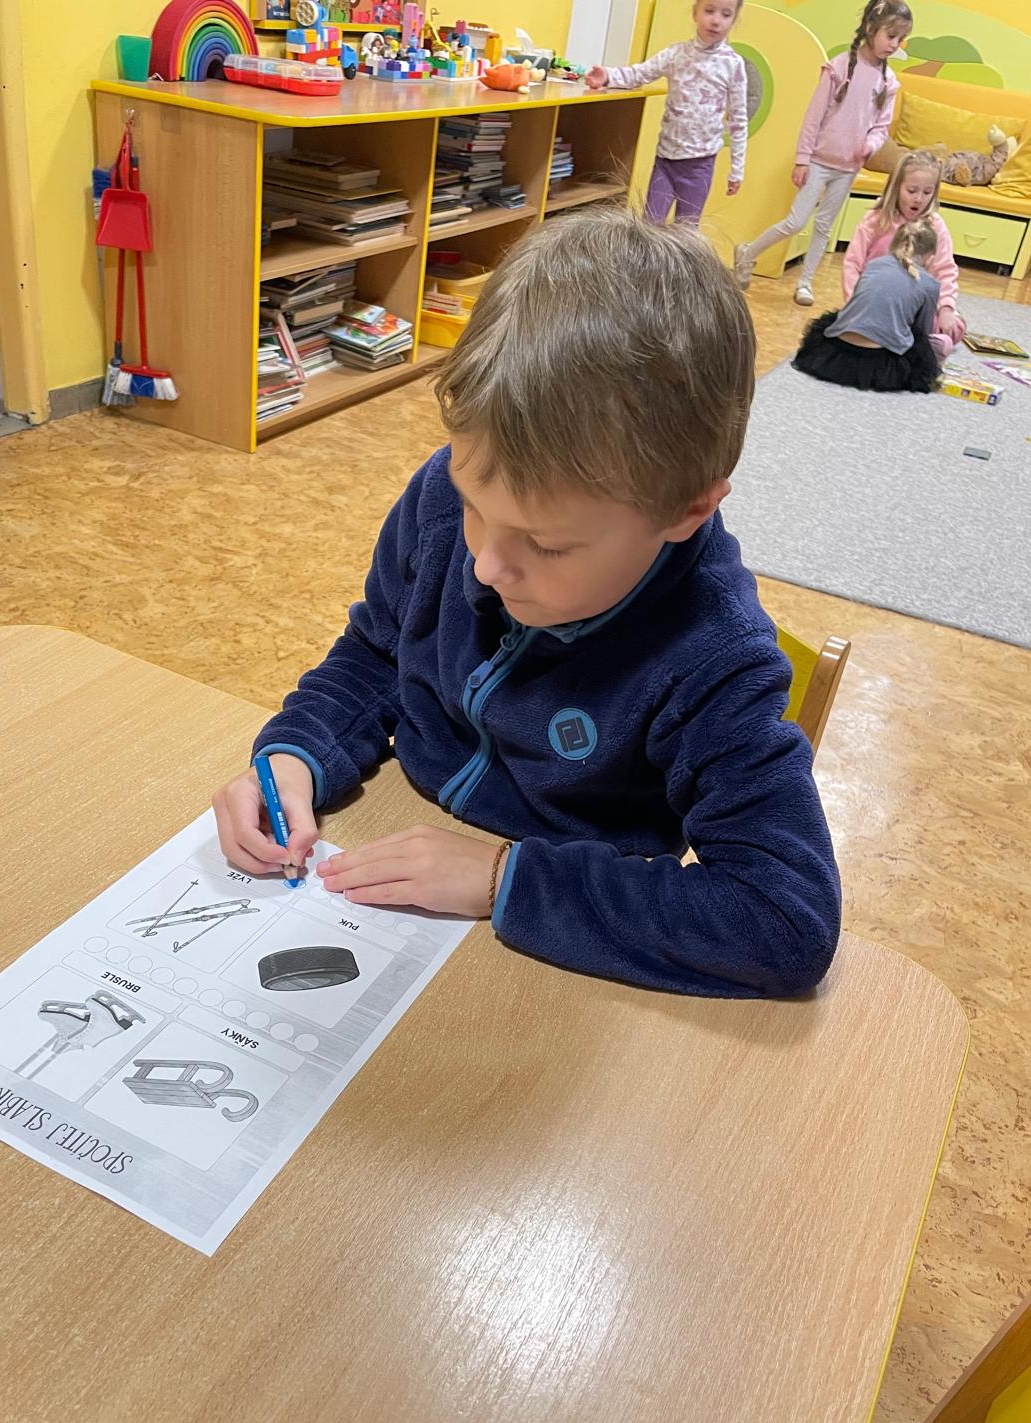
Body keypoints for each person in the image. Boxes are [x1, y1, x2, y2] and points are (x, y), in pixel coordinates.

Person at [212, 210, 841, 1000]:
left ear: (686, 511)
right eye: (476, 508)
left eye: (546, 545)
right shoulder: (446, 495)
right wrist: (296, 754)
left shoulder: (715, 657)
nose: (484, 564)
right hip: (392, 853)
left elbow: (783, 919)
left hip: (561, 955)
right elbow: (378, 654)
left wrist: (503, 878)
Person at [734, 0, 912, 305]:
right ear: (871, 28)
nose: (894, 44)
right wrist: (802, 159)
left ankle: (805, 282)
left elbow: (881, 127)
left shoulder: (889, 82)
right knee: (796, 222)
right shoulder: (839, 67)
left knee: (824, 226)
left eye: (900, 38)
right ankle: (747, 252)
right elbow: (813, 117)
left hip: (848, 168)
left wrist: (869, 145)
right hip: (818, 162)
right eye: (890, 35)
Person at [584, 0, 747, 224]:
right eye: (709, 11)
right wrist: (608, 76)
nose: (716, 20)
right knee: (649, 225)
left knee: (686, 230)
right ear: (695, 13)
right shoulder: (676, 54)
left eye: (726, 14)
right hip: (665, 161)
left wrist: (737, 170)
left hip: (699, 165)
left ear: (734, 20)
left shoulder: (733, 64)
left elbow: (738, 120)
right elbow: (640, 74)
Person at [842, 148, 965, 361]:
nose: (919, 199)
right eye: (912, 190)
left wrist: (946, 309)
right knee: (858, 329)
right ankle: (911, 344)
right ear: (896, 186)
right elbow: (853, 264)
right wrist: (854, 302)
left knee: (954, 327)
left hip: (913, 308)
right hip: (875, 302)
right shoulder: (875, 220)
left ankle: (917, 341)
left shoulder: (935, 225)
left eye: (927, 192)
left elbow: (945, 271)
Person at [792, 217, 941, 391]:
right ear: (930, 256)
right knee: (919, 342)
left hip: (837, 352)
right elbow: (924, 329)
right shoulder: (930, 284)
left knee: (837, 318)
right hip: (881, 361)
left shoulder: (873, 265)